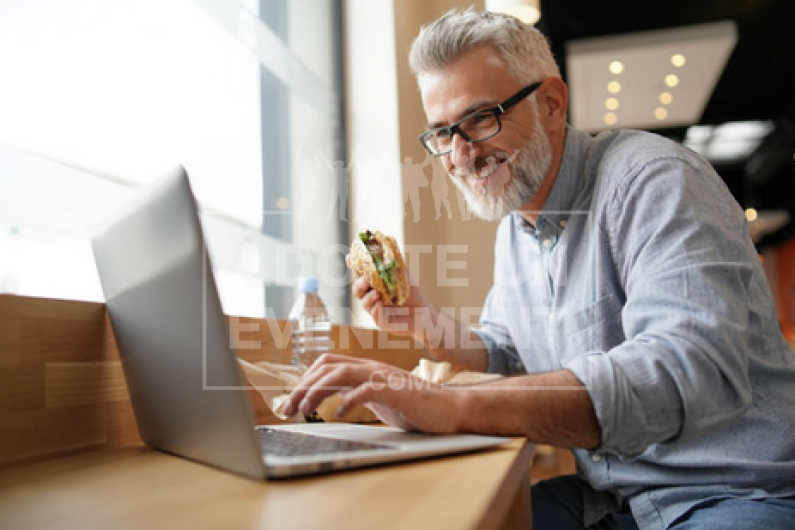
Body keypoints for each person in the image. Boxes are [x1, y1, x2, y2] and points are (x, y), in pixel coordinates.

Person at [284, 8, 795, 529]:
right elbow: (505, 353)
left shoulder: (653, 180)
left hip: (737, 494)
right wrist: (420, 320)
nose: (460, 154)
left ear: (551, 102)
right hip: (613, 499)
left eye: (481, 118)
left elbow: (685, 372)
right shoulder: (516, 228)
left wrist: (451, 403)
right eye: (441, 132)